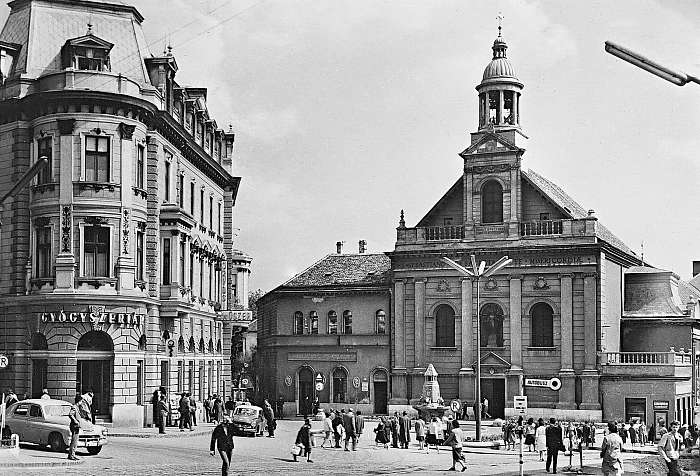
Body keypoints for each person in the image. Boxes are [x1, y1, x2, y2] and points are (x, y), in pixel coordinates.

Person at [67, 395, 81, 461]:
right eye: (81, 401)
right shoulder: (74, 407)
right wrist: (75, 420)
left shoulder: (77, 407)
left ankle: (73, 454)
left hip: (76, 426)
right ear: (79, 401)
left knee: (75, 441)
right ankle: (71, 455)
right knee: (74, 441)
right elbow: (70, 414)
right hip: (74, 426)